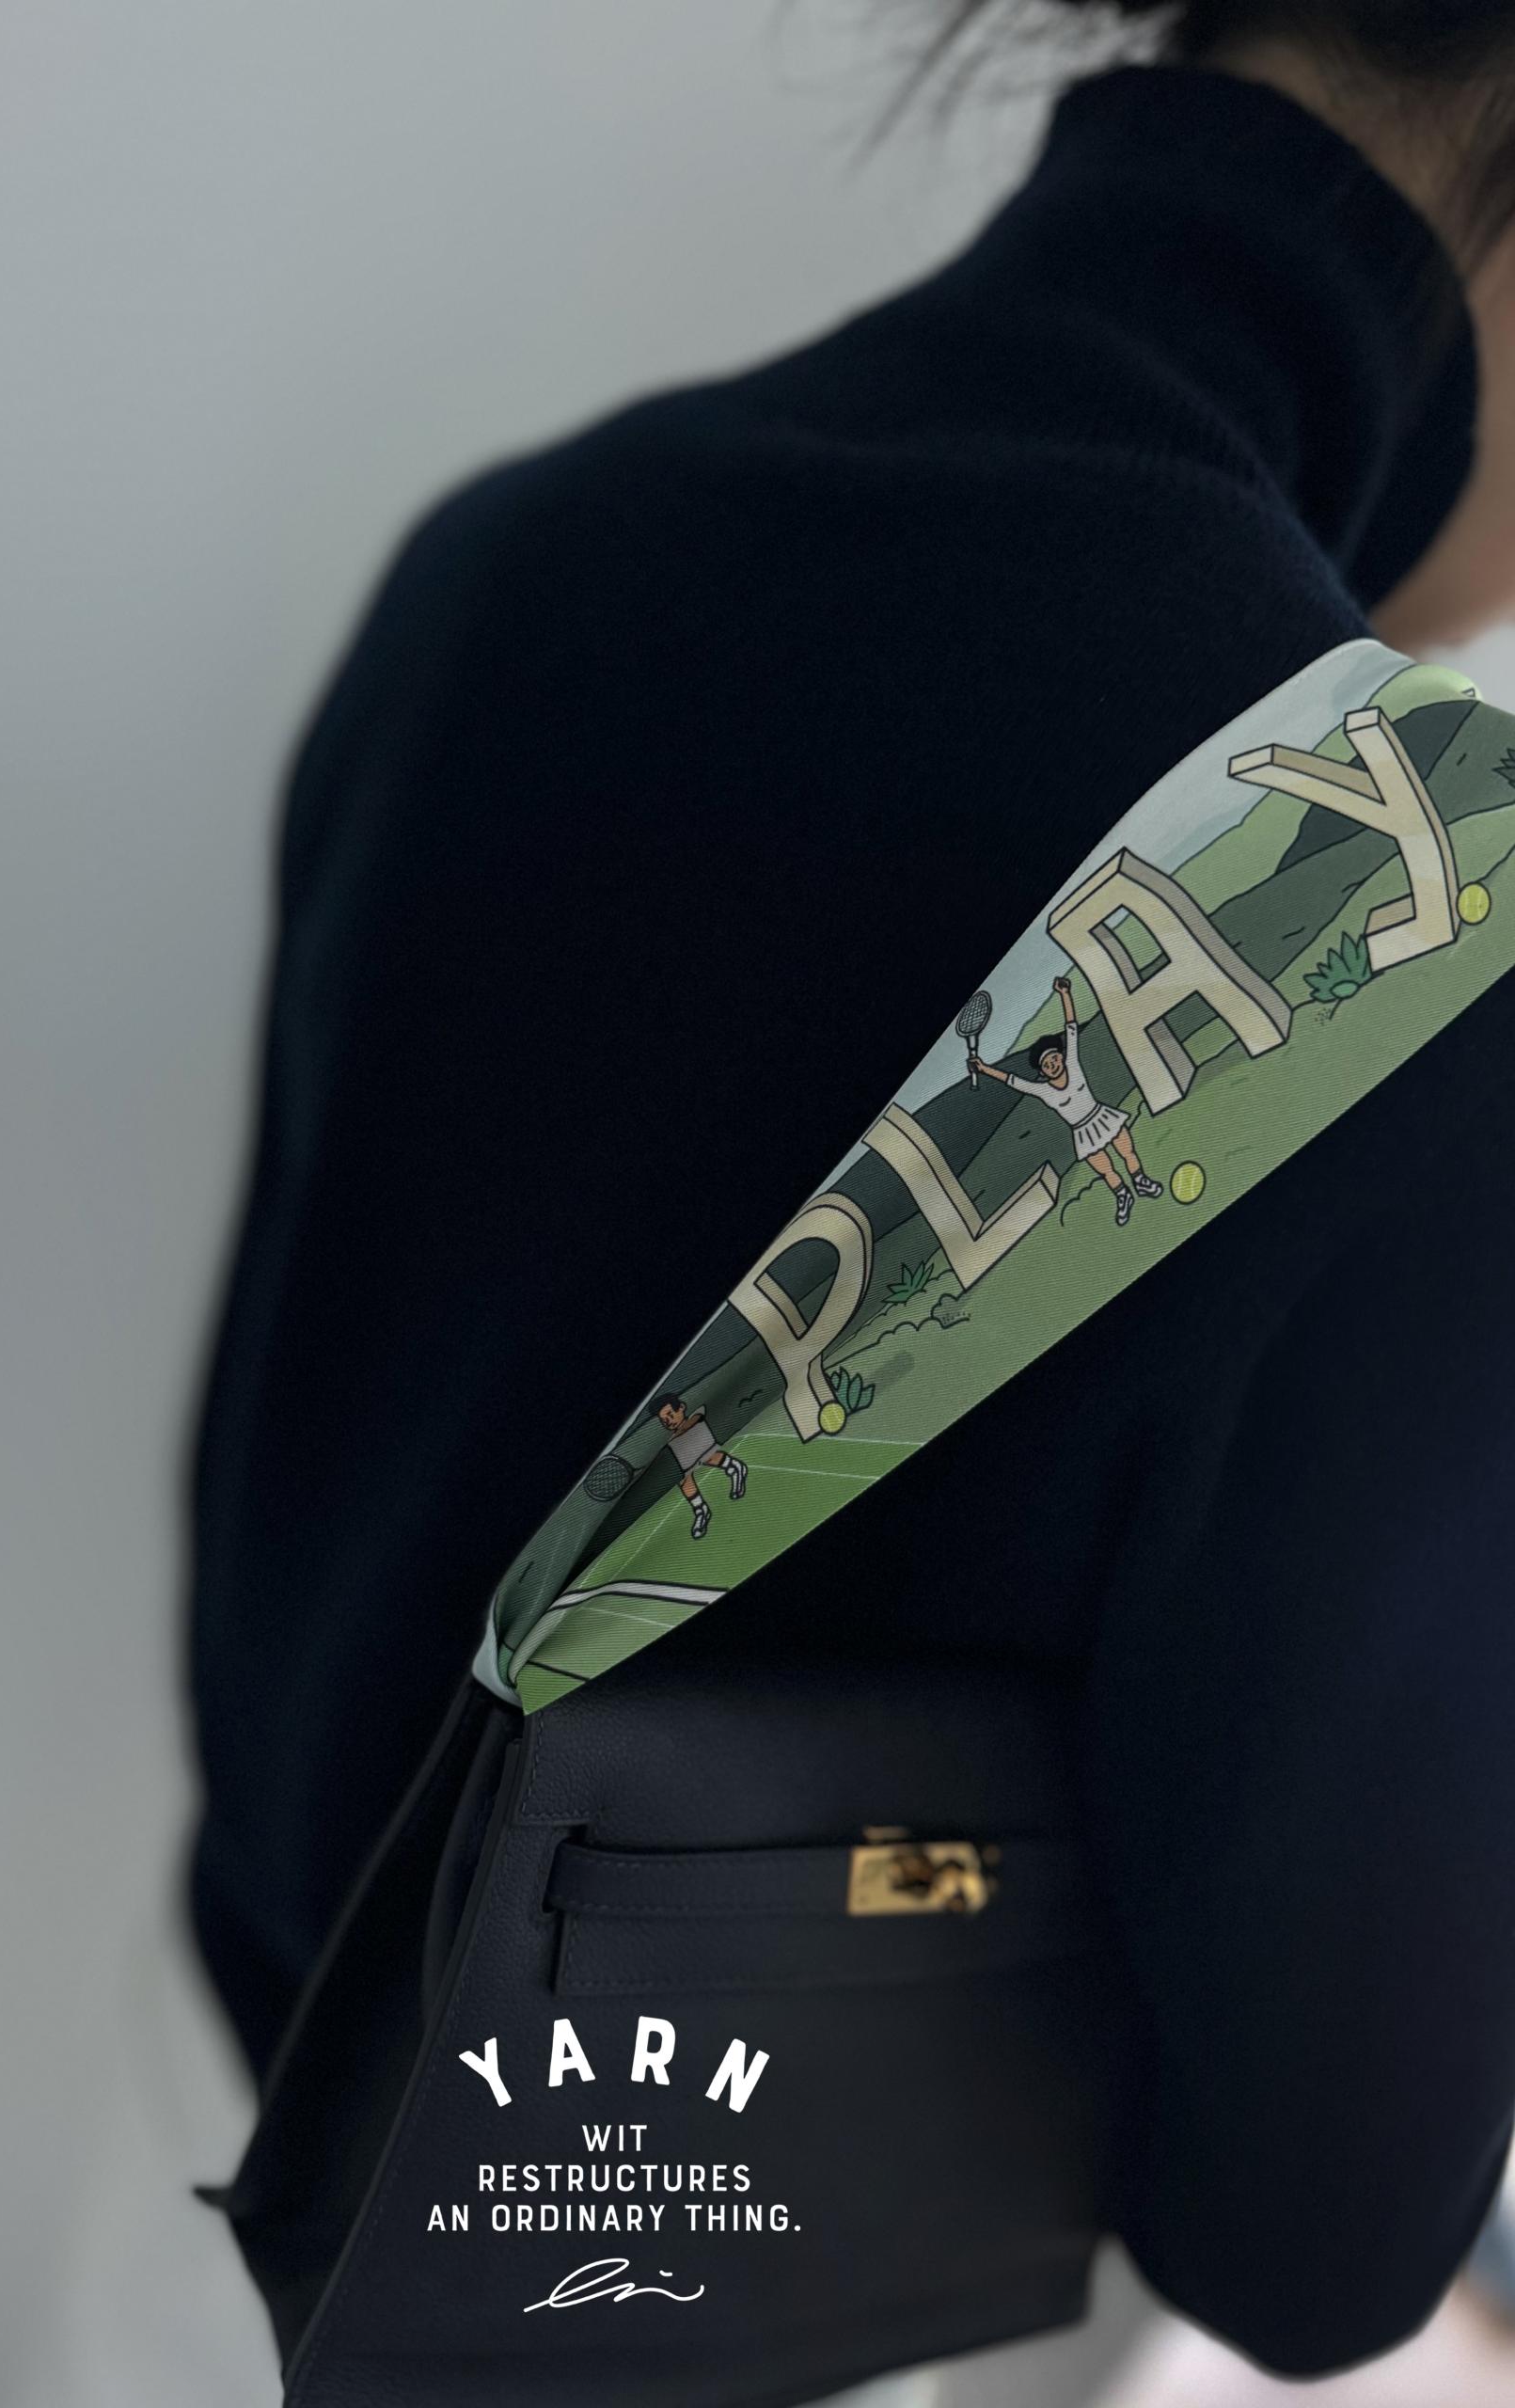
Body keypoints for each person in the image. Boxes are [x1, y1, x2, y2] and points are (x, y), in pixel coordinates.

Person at [189, 3, 1515, 2381]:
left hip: (232, 2182)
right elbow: (1309, 2246)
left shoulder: (514, 548)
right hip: (724, 2302)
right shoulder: (1404, 932)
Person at [972, 974, 1165, 1224]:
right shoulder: (1044, 1091)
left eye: (1054, 1058)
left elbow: (1071, 1029)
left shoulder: (1072, 1064)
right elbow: (1013, 1081)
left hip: (1101, 1116)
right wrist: (984, 1069)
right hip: (1082, 1131)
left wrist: (1065, 994)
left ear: (1062, 1057)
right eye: (1047, 1064)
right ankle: (1122, 1195)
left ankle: (1141, 1181)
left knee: (1127, 1150)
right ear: (1043, 1073)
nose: (1053, 1064)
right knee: (1105, 1168)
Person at [654, 1392, 748, 1538]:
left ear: (681, 1407)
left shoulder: (696, 1414)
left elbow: (692, 1421)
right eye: (664, 1420)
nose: (668, 1422)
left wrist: (676, 1435)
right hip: (685, 1458)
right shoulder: (670, 1438)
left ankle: (735, 1468)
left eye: (670, 1415)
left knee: (709, 1457)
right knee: (685, 1481)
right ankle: (701, 1509)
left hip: (702, 1445)